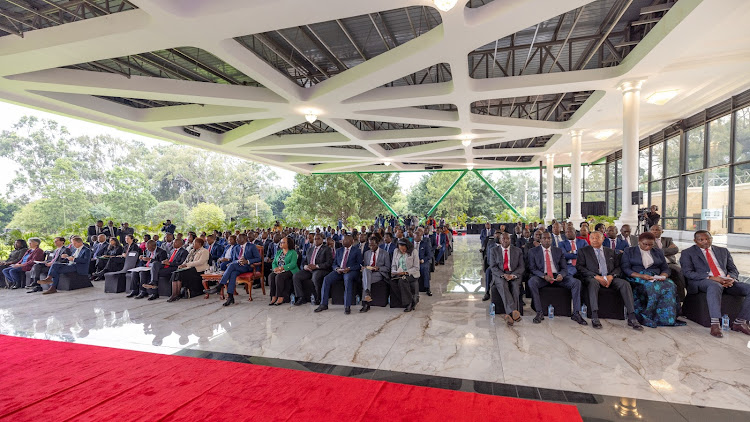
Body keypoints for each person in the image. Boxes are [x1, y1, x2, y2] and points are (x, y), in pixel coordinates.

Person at [680, 230, 750, 338]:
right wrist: (712, 278)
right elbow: (688, 273)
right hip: (703, 281)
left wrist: (731, 278)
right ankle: (715, 324)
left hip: (726, 281)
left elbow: (733, 269)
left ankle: (740, 322)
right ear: (695, 241)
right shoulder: (687, 253)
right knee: (714, 285)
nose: (705, 241)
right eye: (701, 240)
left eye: (708, 238)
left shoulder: (723, 251)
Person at [576, 231, 643, 330]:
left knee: (625, 284)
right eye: (592, 238)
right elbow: (580, 267)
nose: (594, 240)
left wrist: (611, 276)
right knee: (593, 283)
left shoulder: (611, 251)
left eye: (597, 238)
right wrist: (596, 276)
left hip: (609, 277)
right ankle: (594, 316)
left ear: (603, 239)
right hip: (593, 278)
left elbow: (618, 267)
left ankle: (632, 317)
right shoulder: (583, 251)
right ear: (589, 239)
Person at [621, 232, 684, 328]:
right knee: (651, 287)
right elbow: (626, 268)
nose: (648, 247)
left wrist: (663, 275)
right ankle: (647, 316)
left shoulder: (658, 252)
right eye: (645, 244)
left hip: (655, 276)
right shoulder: (629, 251)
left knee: (670, 285)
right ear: (639, 242)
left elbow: (665, 267)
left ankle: (666, 318)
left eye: (651, 244)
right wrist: (642, 276)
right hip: (637, 276)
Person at [527, 232, 587, 325]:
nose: (547, 240)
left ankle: (576, 313)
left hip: (557, 276)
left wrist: (561, 275)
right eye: (544, 238)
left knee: (576, 283)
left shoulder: (558, 251)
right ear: (540, 240)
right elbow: (532, 268)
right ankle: (539, 312)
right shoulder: (533, 251)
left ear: (551, 240)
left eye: (549, 238)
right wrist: (543, 276)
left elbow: (564, 268)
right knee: (532, 282)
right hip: (543, 277)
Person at [209, 233, 261, 307]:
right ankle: (230, 297)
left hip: (248, 267)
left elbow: (258, 258)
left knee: (231, 266)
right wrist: (238, 261)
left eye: (238, 238)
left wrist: (247, 261)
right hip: (238, 266)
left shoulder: (251, 246)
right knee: (233, 273)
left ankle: (220, 286)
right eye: (236, 239)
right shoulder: (236, 248)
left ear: (245, 239)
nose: (237, 240)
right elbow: (233, 260)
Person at [315, 235, 362, 315]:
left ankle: (347, 306)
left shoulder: (356, 251)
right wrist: (336, 268)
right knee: (327, 279)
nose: (343, 242)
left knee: (347, 279)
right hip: (339, 271)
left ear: (351, 241)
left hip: (350, 271)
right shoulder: (339, 250)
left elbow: (359, 264)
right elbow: (334, 263)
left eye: (345, 240)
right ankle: (323, 304)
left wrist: (349, 268)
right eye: (342, 240)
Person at [489, 233, 524, 325]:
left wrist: (513, 275)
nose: (505, 240)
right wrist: (503, 275)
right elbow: (493, 267)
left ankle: (509, 315)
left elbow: (521, 267)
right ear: (500, 240)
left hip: (514, 274)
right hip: (500, 275)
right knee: (503, 285)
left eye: (507, 238)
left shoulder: (518, 251)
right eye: (503, 239)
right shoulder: (494, 250)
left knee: (516, 287)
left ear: (510, 240)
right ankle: (514, 312)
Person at [293, 233, 333, 306]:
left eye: (318, 239)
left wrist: (316, 266)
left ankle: (318, 298)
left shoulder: (326, 249)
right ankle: (301, 297)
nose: (316, 241)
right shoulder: (310, 249)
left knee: (316, 276)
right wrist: (305, 266)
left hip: (320, 269)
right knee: (296, 276)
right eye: (315, 239)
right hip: (309, 269)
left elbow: (329, 263)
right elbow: (304, 261)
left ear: (322, 240)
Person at [650, 225, 686, 302]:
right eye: (652, 230)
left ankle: (682, 298)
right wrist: (667, 250)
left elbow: (675, 250)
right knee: (671, 273)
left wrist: (660, 251)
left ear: (662, 231)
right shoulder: (648, 241)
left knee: (679, 272)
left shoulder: (668, 240)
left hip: (670, 262)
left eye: (657, 230)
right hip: (657, 264)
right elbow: (652, 252)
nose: (654, 231)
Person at [167, 237, 209, 301]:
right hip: (188, 268)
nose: (193, 244)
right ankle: (175, 294)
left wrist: (186, 265)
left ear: (199, 244)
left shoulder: (204, 251)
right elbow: (186, 260)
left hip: (197, 269)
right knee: (175, 273)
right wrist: (182, 265)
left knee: (180, 274)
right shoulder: (192, 251)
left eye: (194, 243)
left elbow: (200, 262)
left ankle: (177, 294)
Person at [361, 236, 391, 313]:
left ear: (378, 244)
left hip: (379, 273)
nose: (371, 247)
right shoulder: (366, 253)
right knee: (366, 272)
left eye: (373, 245)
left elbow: (388, 268)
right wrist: (364, 268)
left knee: (365, 279)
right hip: (368, 273)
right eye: (369, 245)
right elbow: (365, 265)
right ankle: (367, 295)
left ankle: (365, 302)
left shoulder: (385, 253)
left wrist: (378, 268)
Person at [389, 239, 420, 312]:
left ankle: (408, 303)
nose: (402, 250)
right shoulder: (396, 251)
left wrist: (406, 272)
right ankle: (409, 300)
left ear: (407, 247)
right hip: (399, 273)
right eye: (401, 249)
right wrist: (394, 271)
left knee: (402, 281)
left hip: (411, 273)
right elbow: (393, 265)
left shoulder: (413, 252)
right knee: (392, 282)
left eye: (404, 249)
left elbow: (416, 267)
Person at [268, 236, 299, 306]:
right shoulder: (279, 252)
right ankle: (273, 296)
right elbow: (274, 263)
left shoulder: (293, 252)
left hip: (290, 270)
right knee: (271, 276)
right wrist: (275, 269)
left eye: (283, 242)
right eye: (280, 242)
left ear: (288, 244)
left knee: (279, 277)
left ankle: (280, 297)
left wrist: (282, 268)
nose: (281, 243)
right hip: (279, 270)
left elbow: (293, 264)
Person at [413, 230, 433, 296]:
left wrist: (422, 260)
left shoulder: (425, 244)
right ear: (414, 236)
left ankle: (427, 288)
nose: (419, 237)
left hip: (422, 261)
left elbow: (429, 255)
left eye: (420, 235)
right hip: (412, 262)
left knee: (425, 268)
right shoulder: (410, 244)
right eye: (417, 235)